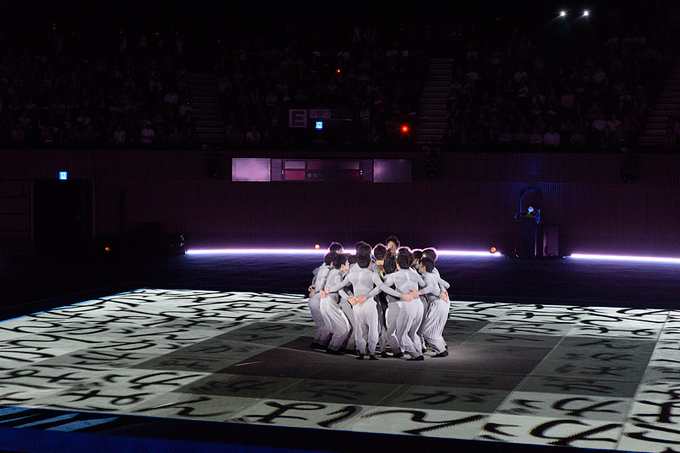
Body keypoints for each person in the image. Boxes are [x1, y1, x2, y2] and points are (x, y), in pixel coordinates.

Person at [319, 254, 352, 355]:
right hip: (330, 302)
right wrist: (348, 298)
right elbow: (340, 289)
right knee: (345, 328)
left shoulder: (333, 272)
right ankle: (333, 348)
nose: (349, 264)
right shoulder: (338, 274)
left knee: (339, 328)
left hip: (325, 301)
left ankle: (332, 347)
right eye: (347, 263)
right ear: (342, 265)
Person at [419, 257, 451, 357]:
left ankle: (441, 350)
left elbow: (430, 288)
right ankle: (441, 348)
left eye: (420, 265)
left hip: (437, 305)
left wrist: (419, 292)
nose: (418, 267)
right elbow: (447, 284)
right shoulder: (433, 275)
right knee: (436, 330)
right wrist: (443, 291)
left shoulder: (425, 277)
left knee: (426, 331)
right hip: (443, 303)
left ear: (423, 268)